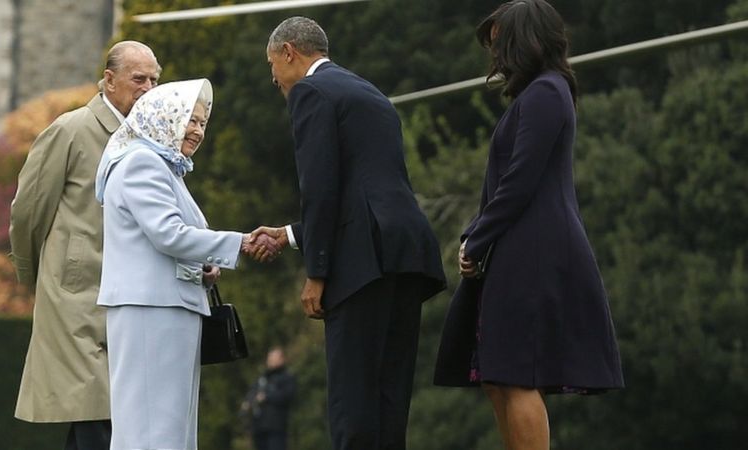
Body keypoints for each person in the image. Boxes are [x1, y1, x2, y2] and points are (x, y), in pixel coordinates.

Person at [433, 1, 625, 449]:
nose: (494, 54)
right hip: (515, 250)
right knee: (497, 376)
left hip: (534, 252)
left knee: (517, 375)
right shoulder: (538, 94)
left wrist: (476, 240)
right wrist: (474, 237)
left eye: (499, 43)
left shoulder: (546, 92)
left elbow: (520, 181)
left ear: (525, 40)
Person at [252, 16, 446, 450]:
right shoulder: (369, 92)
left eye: (273, 69)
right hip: (406, 253)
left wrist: (317, 272)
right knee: (390, 396)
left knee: (353, 398)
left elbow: (321, 188)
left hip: (362, 263)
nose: (275, 81)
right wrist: (290, 234)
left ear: (290, 53)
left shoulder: (310, 91)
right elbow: (363, 192)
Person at [95, 78, 274, 450]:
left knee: (169, 426)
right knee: (152, 427)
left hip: (165, 308)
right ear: (164, 116)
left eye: (203, 123)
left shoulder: (164, 166)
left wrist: (204, 267)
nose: (197, 131)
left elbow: (162, 243)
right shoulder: (142, 162)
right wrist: (238, 242)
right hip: (151, 309)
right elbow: (169, 234)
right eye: (190, 120)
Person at [9, 40, 161, 450]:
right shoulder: (70, 129)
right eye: (138, 78)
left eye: (154, 79)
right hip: (77, 295)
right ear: (109, 80)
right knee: (98, 413)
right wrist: (35, 276)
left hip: (129, 294)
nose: (148, 88)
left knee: (104, 416)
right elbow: (28, 212)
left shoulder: (151, 140)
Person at [241, 347, 297, 450]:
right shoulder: (263, 378)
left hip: (276, 427)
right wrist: (248, 402)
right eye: (270, 358)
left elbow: (287, 395)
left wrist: (267, 397)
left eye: (274, 358)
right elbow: (252, 392)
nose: (271, 361)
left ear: (282, 359)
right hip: (259, 427)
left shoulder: (286, 377)